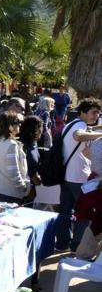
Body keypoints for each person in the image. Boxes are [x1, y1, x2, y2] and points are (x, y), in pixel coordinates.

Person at [55, 98, 102, 252]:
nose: (96, 115)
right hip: (79, 178)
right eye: (93, 112)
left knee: (65, 212)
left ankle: (62, 244)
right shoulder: (80, 126)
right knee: (83, 215)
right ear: (82, 112)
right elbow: (80, 136)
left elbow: (87, 135)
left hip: (67, 176)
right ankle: (76, 247)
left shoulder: (70, 124)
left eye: (98, 113)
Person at [0, 111, 30, 204]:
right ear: (10, 126)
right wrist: (23, 188)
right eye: (18, 122)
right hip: (9, 192)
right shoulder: (11, 145)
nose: (20, 125)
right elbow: (13, 172)